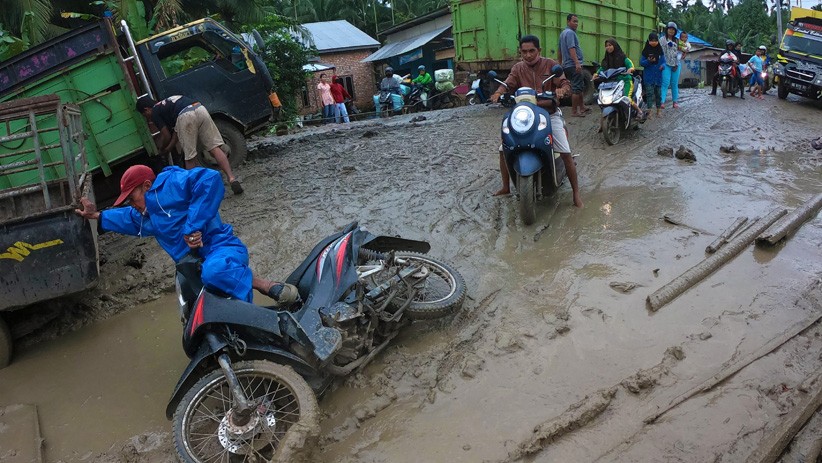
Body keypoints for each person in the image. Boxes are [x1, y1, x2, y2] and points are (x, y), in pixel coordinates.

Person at [74, 165, 299, 305]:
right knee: (194, 301)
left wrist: (192, 226)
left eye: (132, 198)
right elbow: (127, 218)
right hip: (192, 264)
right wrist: (97, 215)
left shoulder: (171, 183)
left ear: (147, 185)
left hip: (221, 247)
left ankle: (263, 285)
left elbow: (210, 179)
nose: (132, 205)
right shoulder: (147, 215)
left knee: (214, 271)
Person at [489, 35, 582, 208]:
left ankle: (576, 194)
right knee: (503, 148)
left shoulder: (550, 64)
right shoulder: (518, 68)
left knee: (564, 151)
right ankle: (505, 187)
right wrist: (498, 92)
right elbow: (507, 84)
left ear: (539, 50)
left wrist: (562, 89)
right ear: (520, 52)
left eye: (532, 51)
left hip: (549, 114)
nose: (528, 55)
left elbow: (564, 82)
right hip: (525, 116)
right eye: (524, 52)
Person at [136, 95, 243, 195]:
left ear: (146, 109)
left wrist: (162, 148)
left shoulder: (155, 112)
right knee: (214, 148)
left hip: (186, 116)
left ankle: (193, 192)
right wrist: (169, 148)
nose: (147, 118)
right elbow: (177, 131)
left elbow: (166, 135)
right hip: (199, 108)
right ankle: (232, 178)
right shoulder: (167, 104)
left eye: (145, 115)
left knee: (189, 158)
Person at [596, 38, 644, 119]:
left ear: (615, 46)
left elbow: (630, 64)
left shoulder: (622, 57)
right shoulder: (606, 59)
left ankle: (639, 111)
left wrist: (630, 69)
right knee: (602, 99)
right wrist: (596, 74)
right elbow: (602, 69)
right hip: (611, 82)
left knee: (626, 98)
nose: (608, 47)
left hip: (625, 81)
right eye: (606, 46)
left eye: (610, 45)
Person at [558, 13, 590, 117]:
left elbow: (559, 50)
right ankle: (574, 112)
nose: (576, 24)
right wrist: (577, 63)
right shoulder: (570, 33)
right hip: (573, 65)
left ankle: (582, 107)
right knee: (576, 89)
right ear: (568, 22)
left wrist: (560, 63)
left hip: (567, 65)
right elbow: (571, 48)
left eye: (577, 21)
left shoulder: (563, 33)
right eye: (574, 21)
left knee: (579, 86)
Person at [640, 32, 664, 116]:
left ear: (658, 41)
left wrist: (663, 66)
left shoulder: (660, 51)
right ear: (648, 41)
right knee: (649, 94)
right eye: (651, 41)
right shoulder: (645, 51)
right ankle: (649, 112)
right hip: (648, 76)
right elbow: (641, 63)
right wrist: (648, 61)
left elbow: (664, 62)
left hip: (658, 76)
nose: (653, 42)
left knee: (658, 94)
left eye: (655, 41)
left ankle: (658, 111)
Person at [660, 22, 682, 109]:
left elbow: (679, 53)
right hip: (665, 64)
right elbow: (660, 52)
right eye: (670, 29)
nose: (671, 31)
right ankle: (662, 102)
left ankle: (675, 102)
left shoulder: (677, 41)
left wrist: (676, 64)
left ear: (675, 31)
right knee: (665, 83)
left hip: (676, 64)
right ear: (667, 30)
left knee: (674, 83)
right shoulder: (662, 39)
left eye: (673, 30)